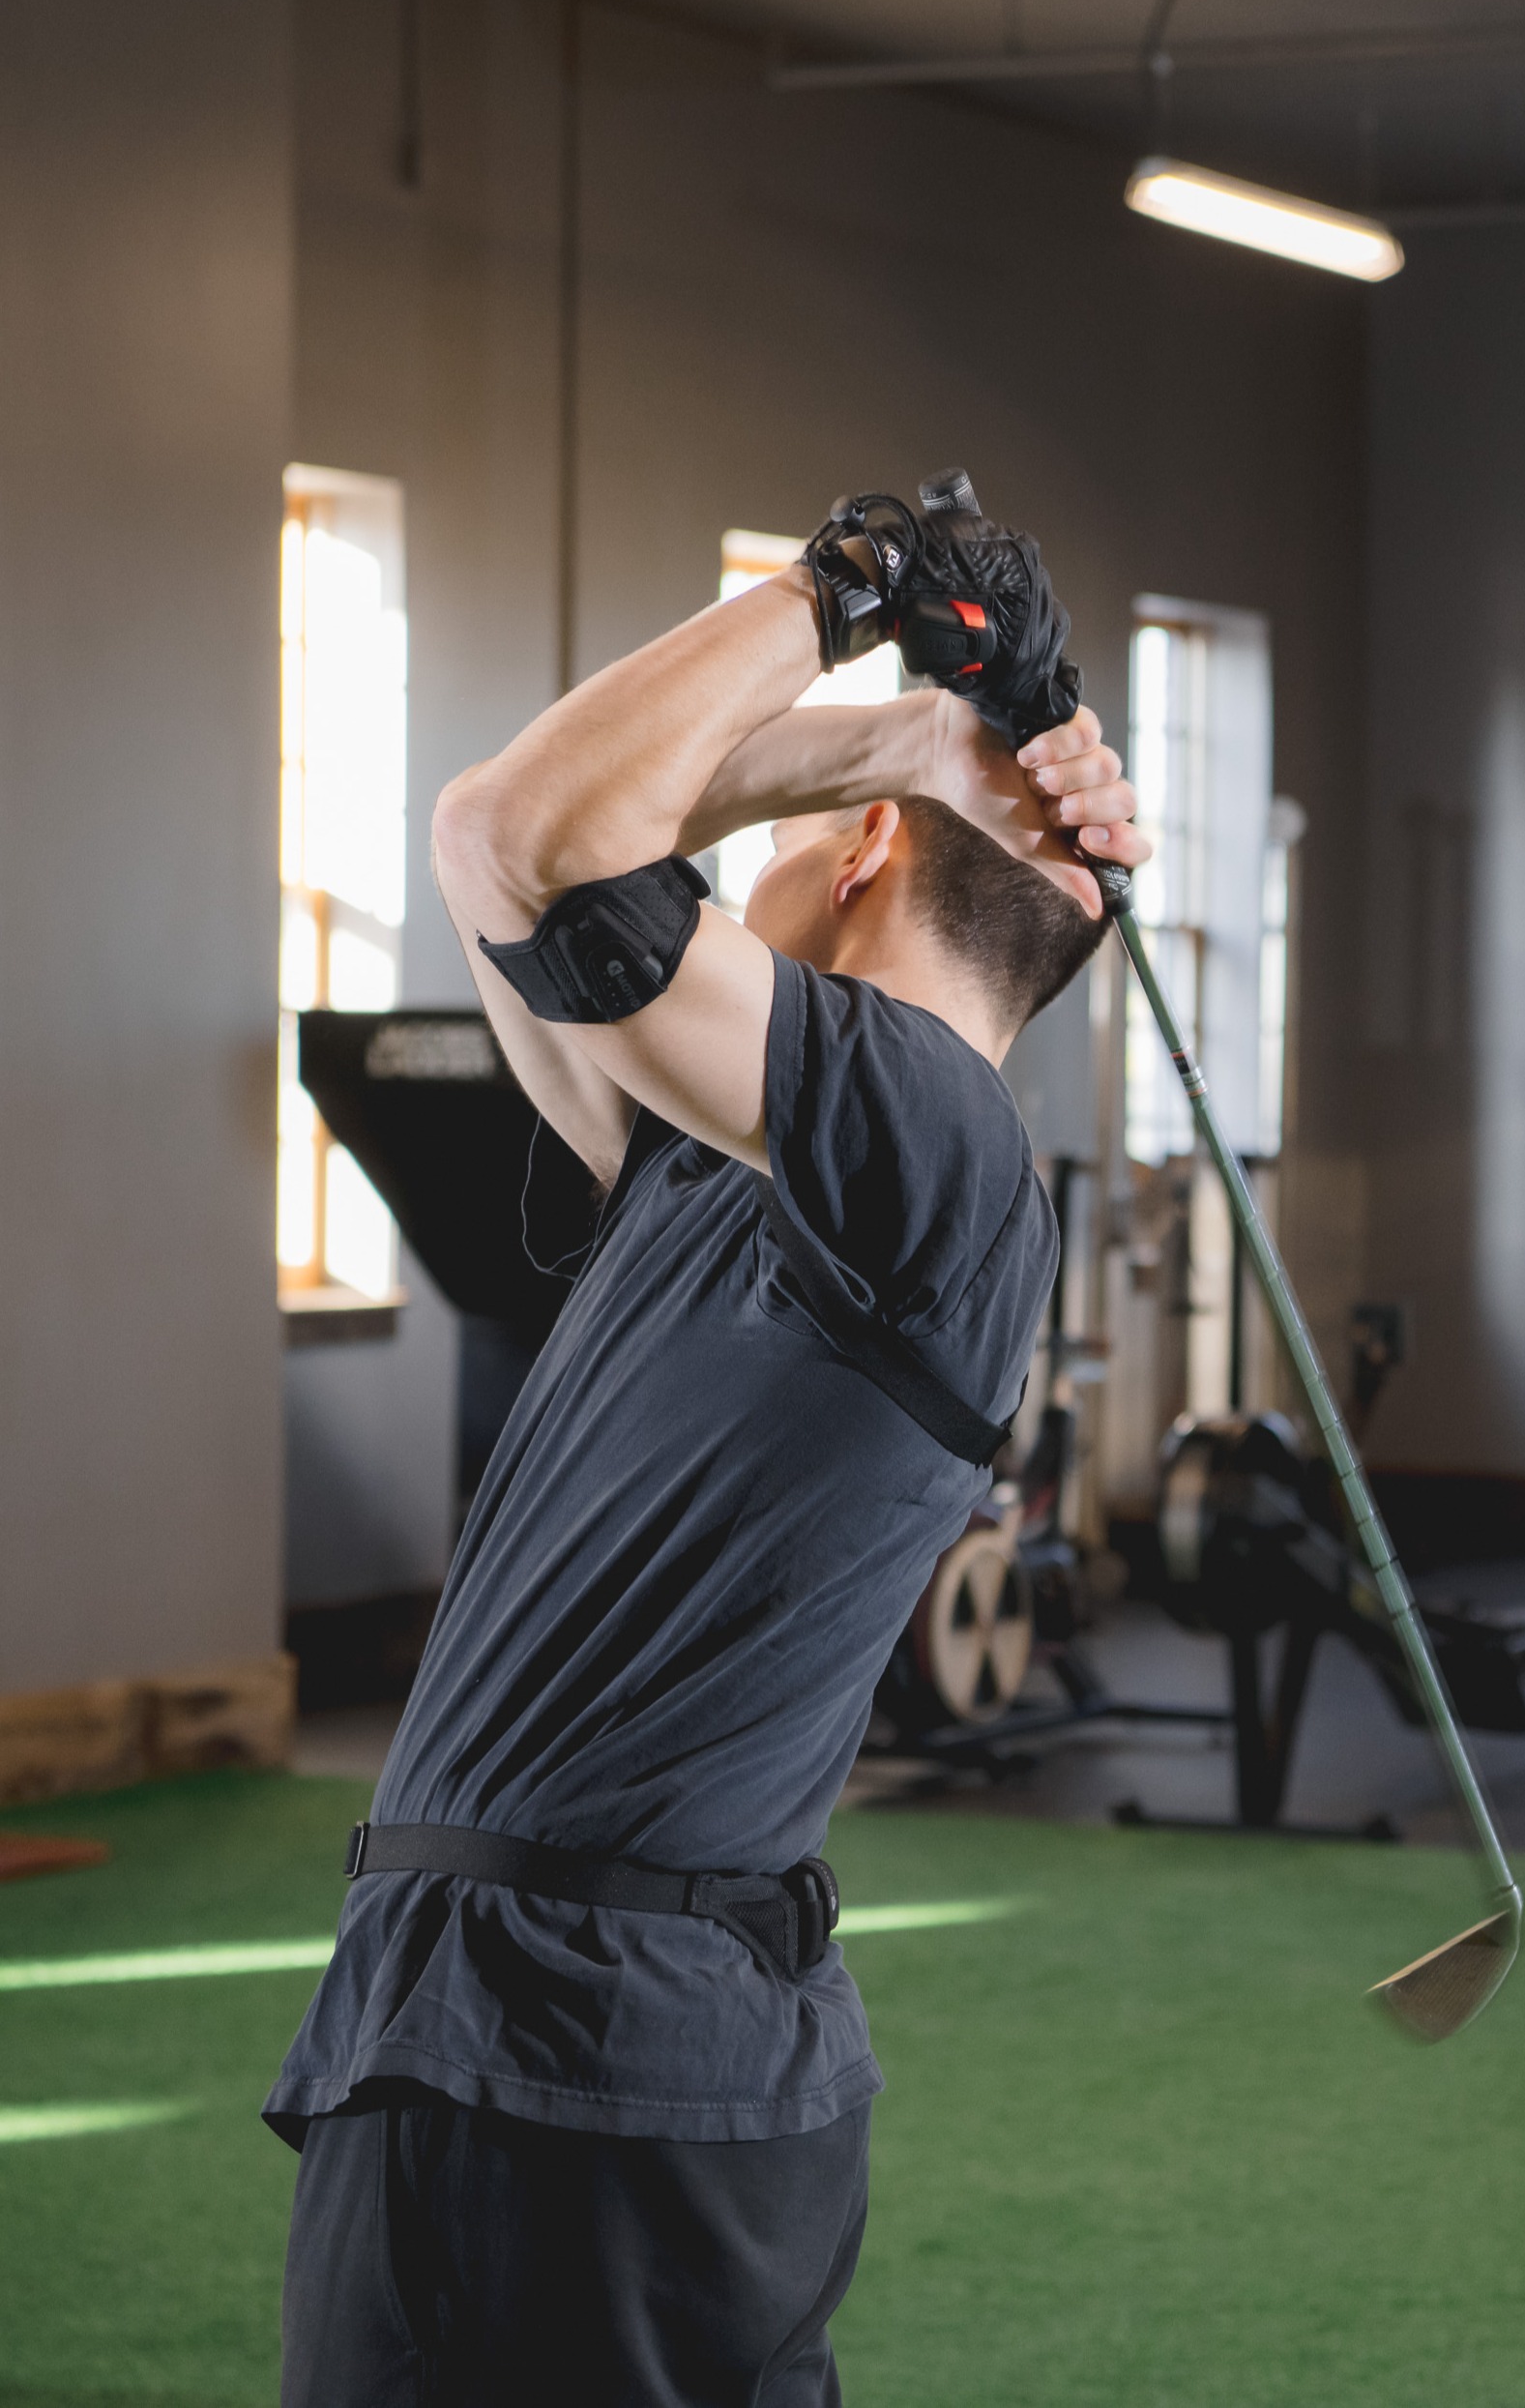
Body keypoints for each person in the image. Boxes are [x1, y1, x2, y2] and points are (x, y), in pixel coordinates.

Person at [266, 492, 1149, 2406]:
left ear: (859, 862)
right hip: (547, 2034)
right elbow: (489, 840)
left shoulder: (931, 1133)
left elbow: (540, 831)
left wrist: (852, 588)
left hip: (569, 2056)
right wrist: (912, 732)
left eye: (807, 833)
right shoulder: (729, 1164)